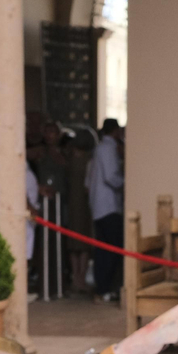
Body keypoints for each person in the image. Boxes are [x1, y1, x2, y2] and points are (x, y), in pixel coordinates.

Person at [86, 119, 125, 301]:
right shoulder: (108, 149)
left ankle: (102, 289)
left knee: (103, 250)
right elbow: (111, 176)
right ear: (115, 131)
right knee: (110, 251)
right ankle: (105, 289)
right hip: (109, 207)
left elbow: (88, 181)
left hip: (98, 206)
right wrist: (127, 182)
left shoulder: (98, 149)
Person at [64, 130, 94, 294]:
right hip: (83, 205)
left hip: (72, 204)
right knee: (83, 244)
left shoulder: (69, 159)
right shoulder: (88, 160)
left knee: (73, 244)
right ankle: (80, 278)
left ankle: (76, 277)